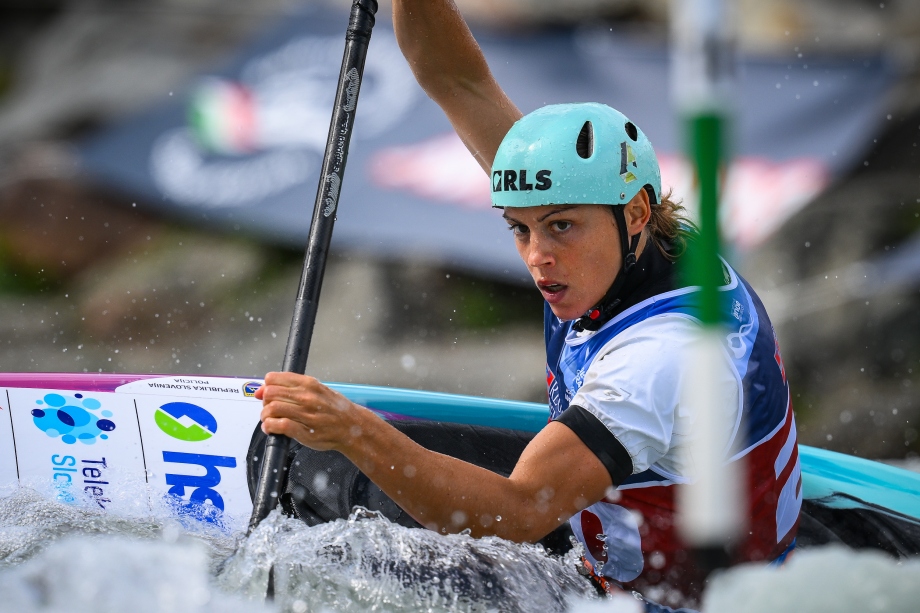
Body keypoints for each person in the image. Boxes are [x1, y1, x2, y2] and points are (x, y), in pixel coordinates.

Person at [252, 0, 800, 608]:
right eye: (519, 228)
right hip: (621, 537)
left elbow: (516, 513)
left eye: (561, 227)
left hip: (669, 601)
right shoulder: (629, 240)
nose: (537, 255)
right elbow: (454, 78)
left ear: (637, 214)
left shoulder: (664, 357)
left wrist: (353, 428)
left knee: (349, 539)